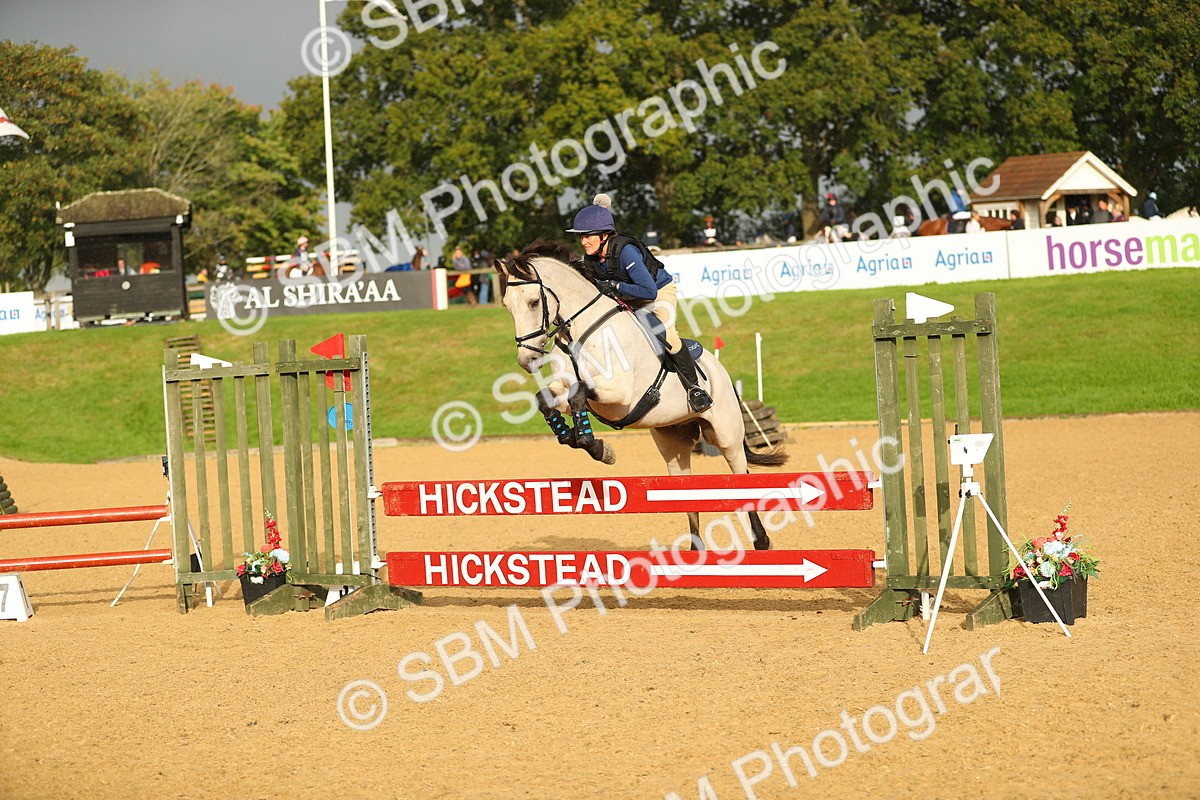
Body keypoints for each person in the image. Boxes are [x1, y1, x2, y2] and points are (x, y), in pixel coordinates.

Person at [565, 193, 712, 413]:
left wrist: (615, 287)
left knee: (667, 334)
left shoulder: (626, 251)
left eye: (588, 236)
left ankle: (695, 389)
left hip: (658, 292)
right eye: (580, 237)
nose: (583, 241)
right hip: (628, 297)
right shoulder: (591, 258)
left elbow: (648, 291)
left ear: (605, 235)